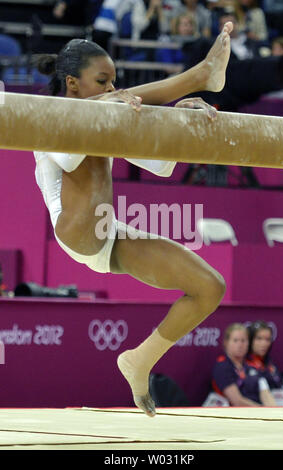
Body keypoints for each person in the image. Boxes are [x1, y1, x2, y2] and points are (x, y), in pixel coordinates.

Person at [35, 22, 233, 418]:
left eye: (114, 82)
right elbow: (75, 159)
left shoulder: (109, 112)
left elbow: (161, 166)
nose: (112, 89)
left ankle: (139, 361)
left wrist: (178, 121)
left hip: (107, 234)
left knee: (210, 287)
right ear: (72, 83)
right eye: (103, 81)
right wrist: (126, 107)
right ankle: (198, 75)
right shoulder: (47, 117)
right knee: (93, 135)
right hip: (74, 228)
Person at [212, 323, 276, 406]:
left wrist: (273, 411)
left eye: (243, 340)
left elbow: (265, 393)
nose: (240, 345)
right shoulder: (222, 367)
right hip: (233, 415)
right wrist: (263, 412)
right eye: (235, 340)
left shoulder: (252, 366)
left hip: (258, 412)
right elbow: (237, 401)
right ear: (226, 343)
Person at [246, 321, 283, 405]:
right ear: (250, 340)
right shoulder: (243, 364)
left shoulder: (269, 362)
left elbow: (281, 380)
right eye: (259, 338)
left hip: (280, 406)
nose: (264, 343)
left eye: (267, 339)